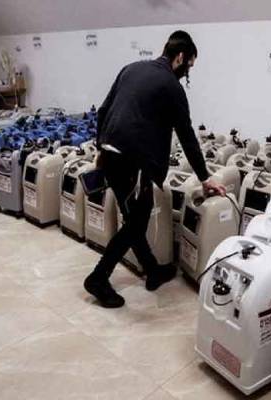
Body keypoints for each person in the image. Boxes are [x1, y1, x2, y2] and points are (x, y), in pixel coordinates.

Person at [84, 30, 226, 308]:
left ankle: (152, 270)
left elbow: (103, 110)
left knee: (133, 217)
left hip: (110, 154)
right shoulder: (172, 87)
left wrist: (101, 147)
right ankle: (98, 278)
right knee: (136, 222)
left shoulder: (131, 68)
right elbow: (187, 136)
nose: (187, 73)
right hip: (133, 163)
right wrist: (205, 178)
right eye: (189, 66)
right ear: (180, 57)